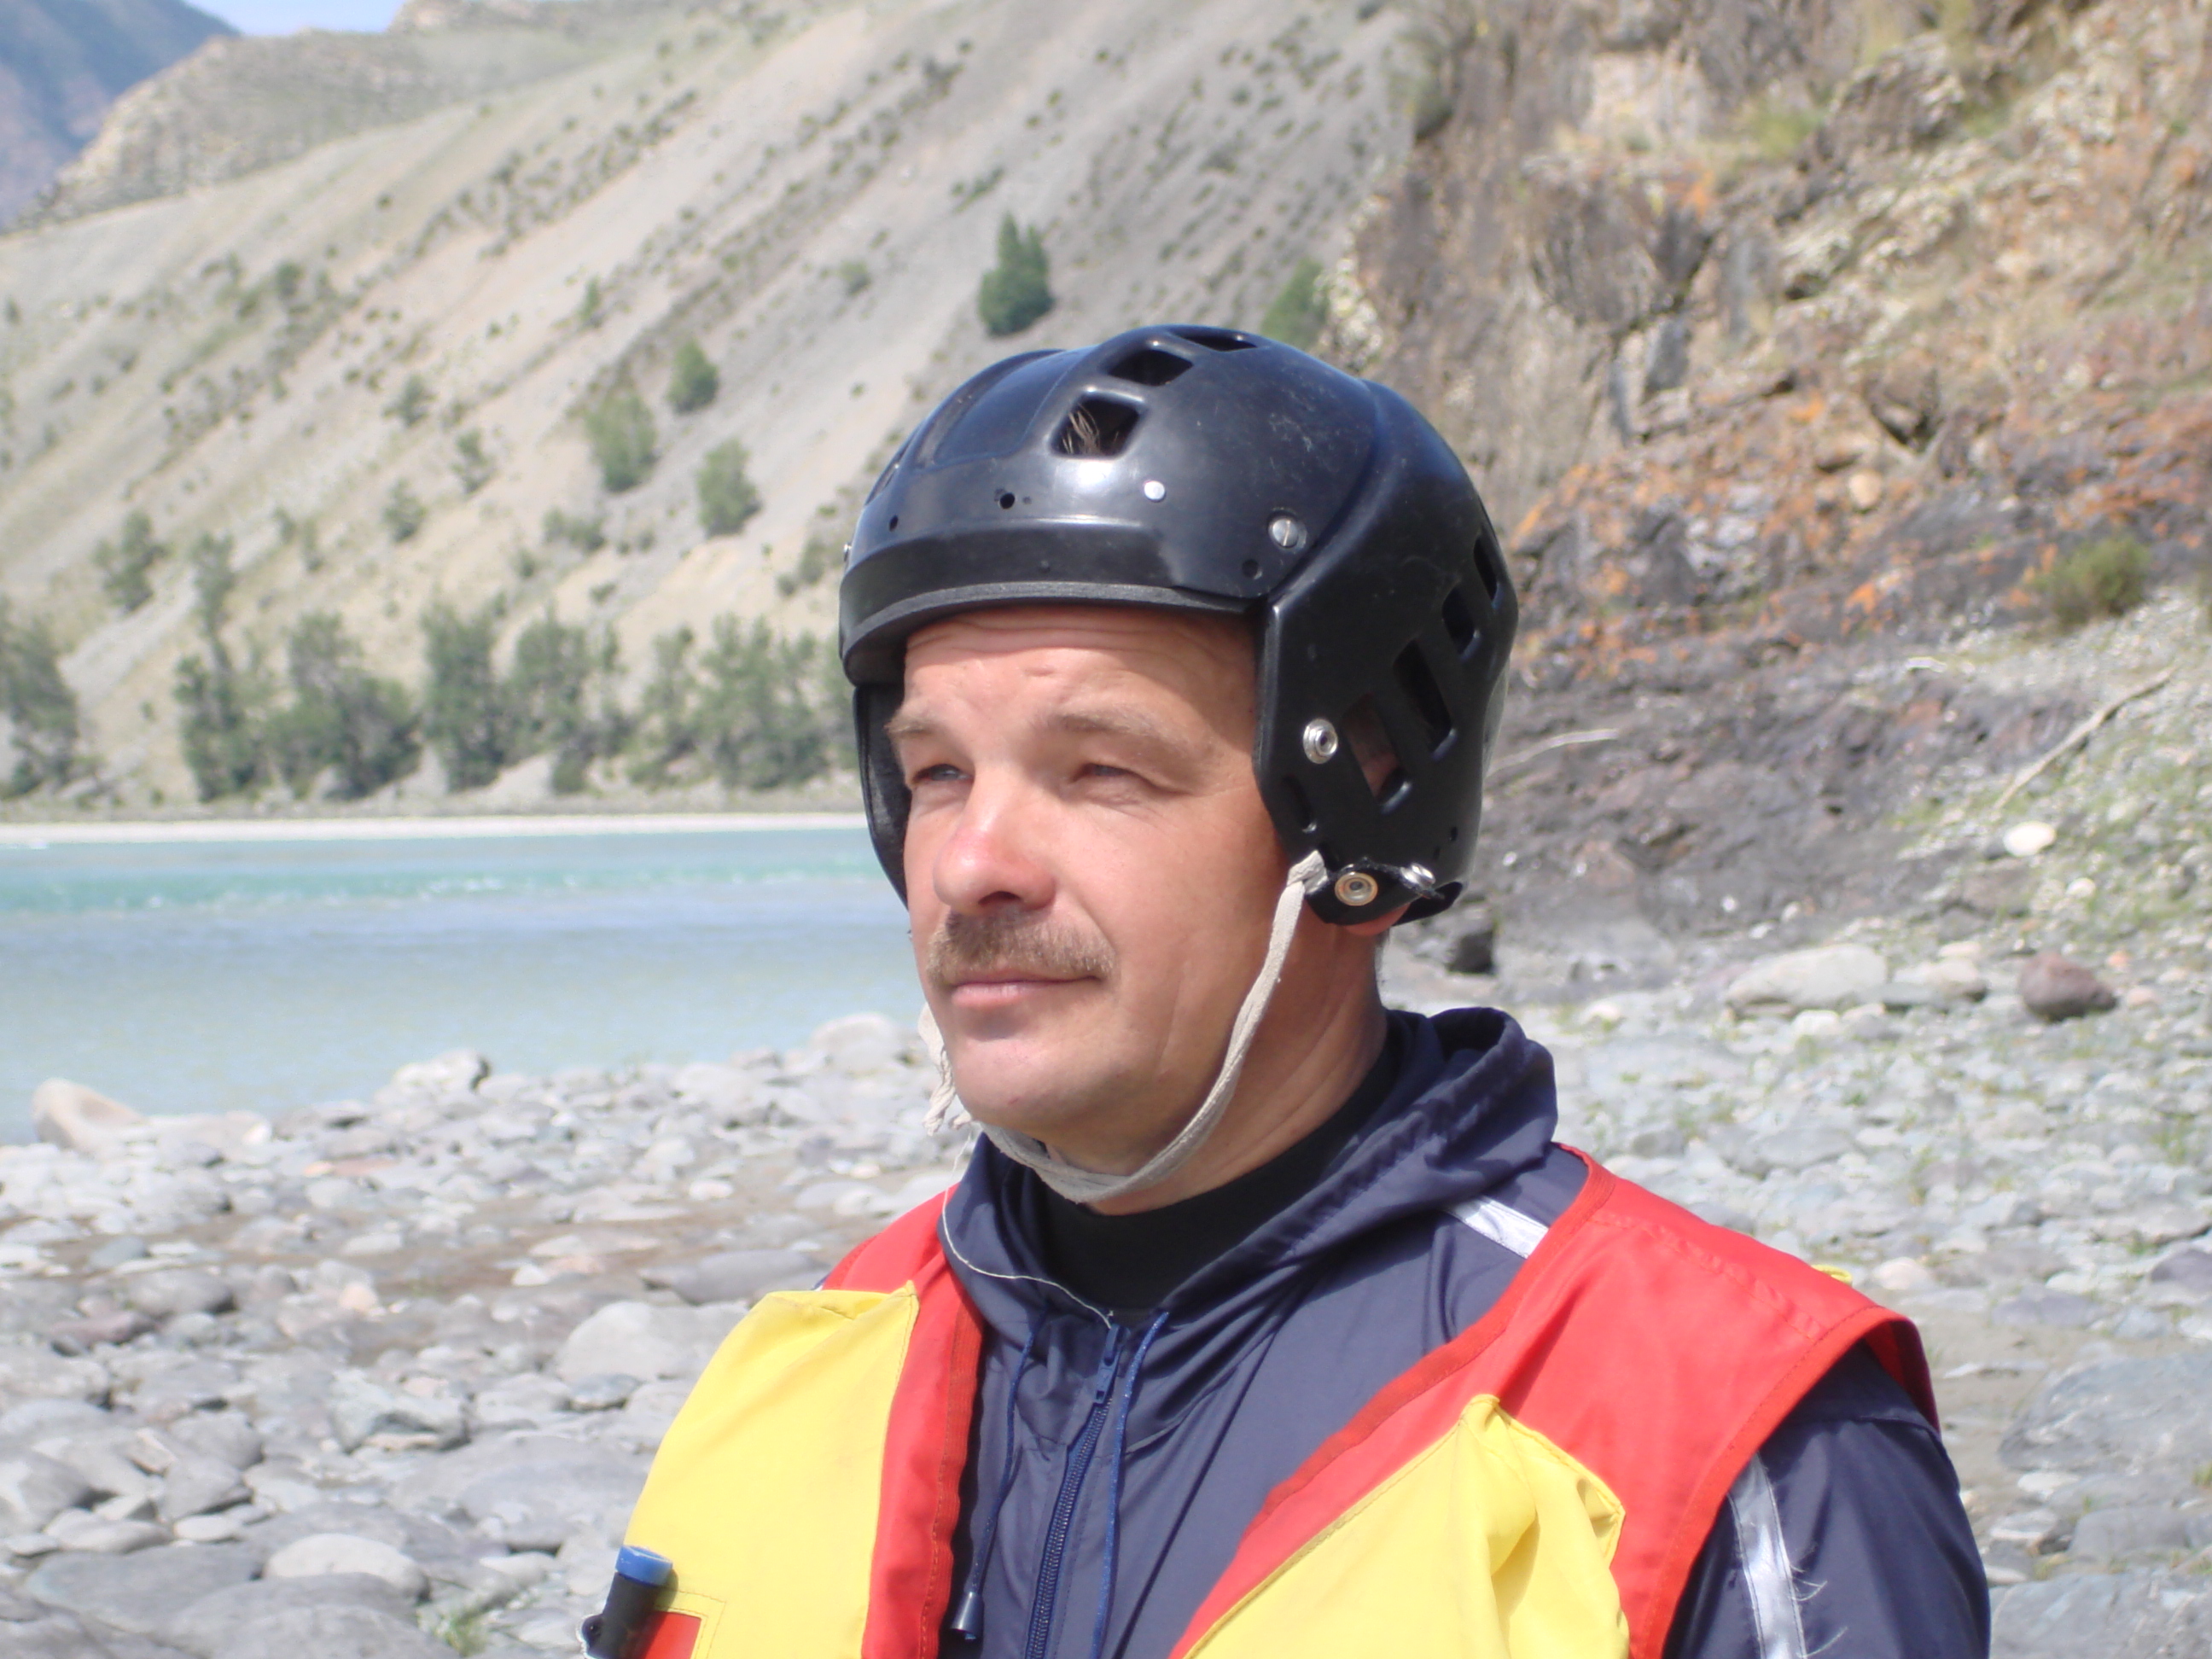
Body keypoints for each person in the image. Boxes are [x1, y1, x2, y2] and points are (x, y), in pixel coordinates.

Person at [614, 328, 1989, 1659]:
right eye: (938, 775)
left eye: (1101, 771)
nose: (972, 867)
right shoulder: (801, 1375)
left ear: (1365, 821)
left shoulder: (1729, 1440)